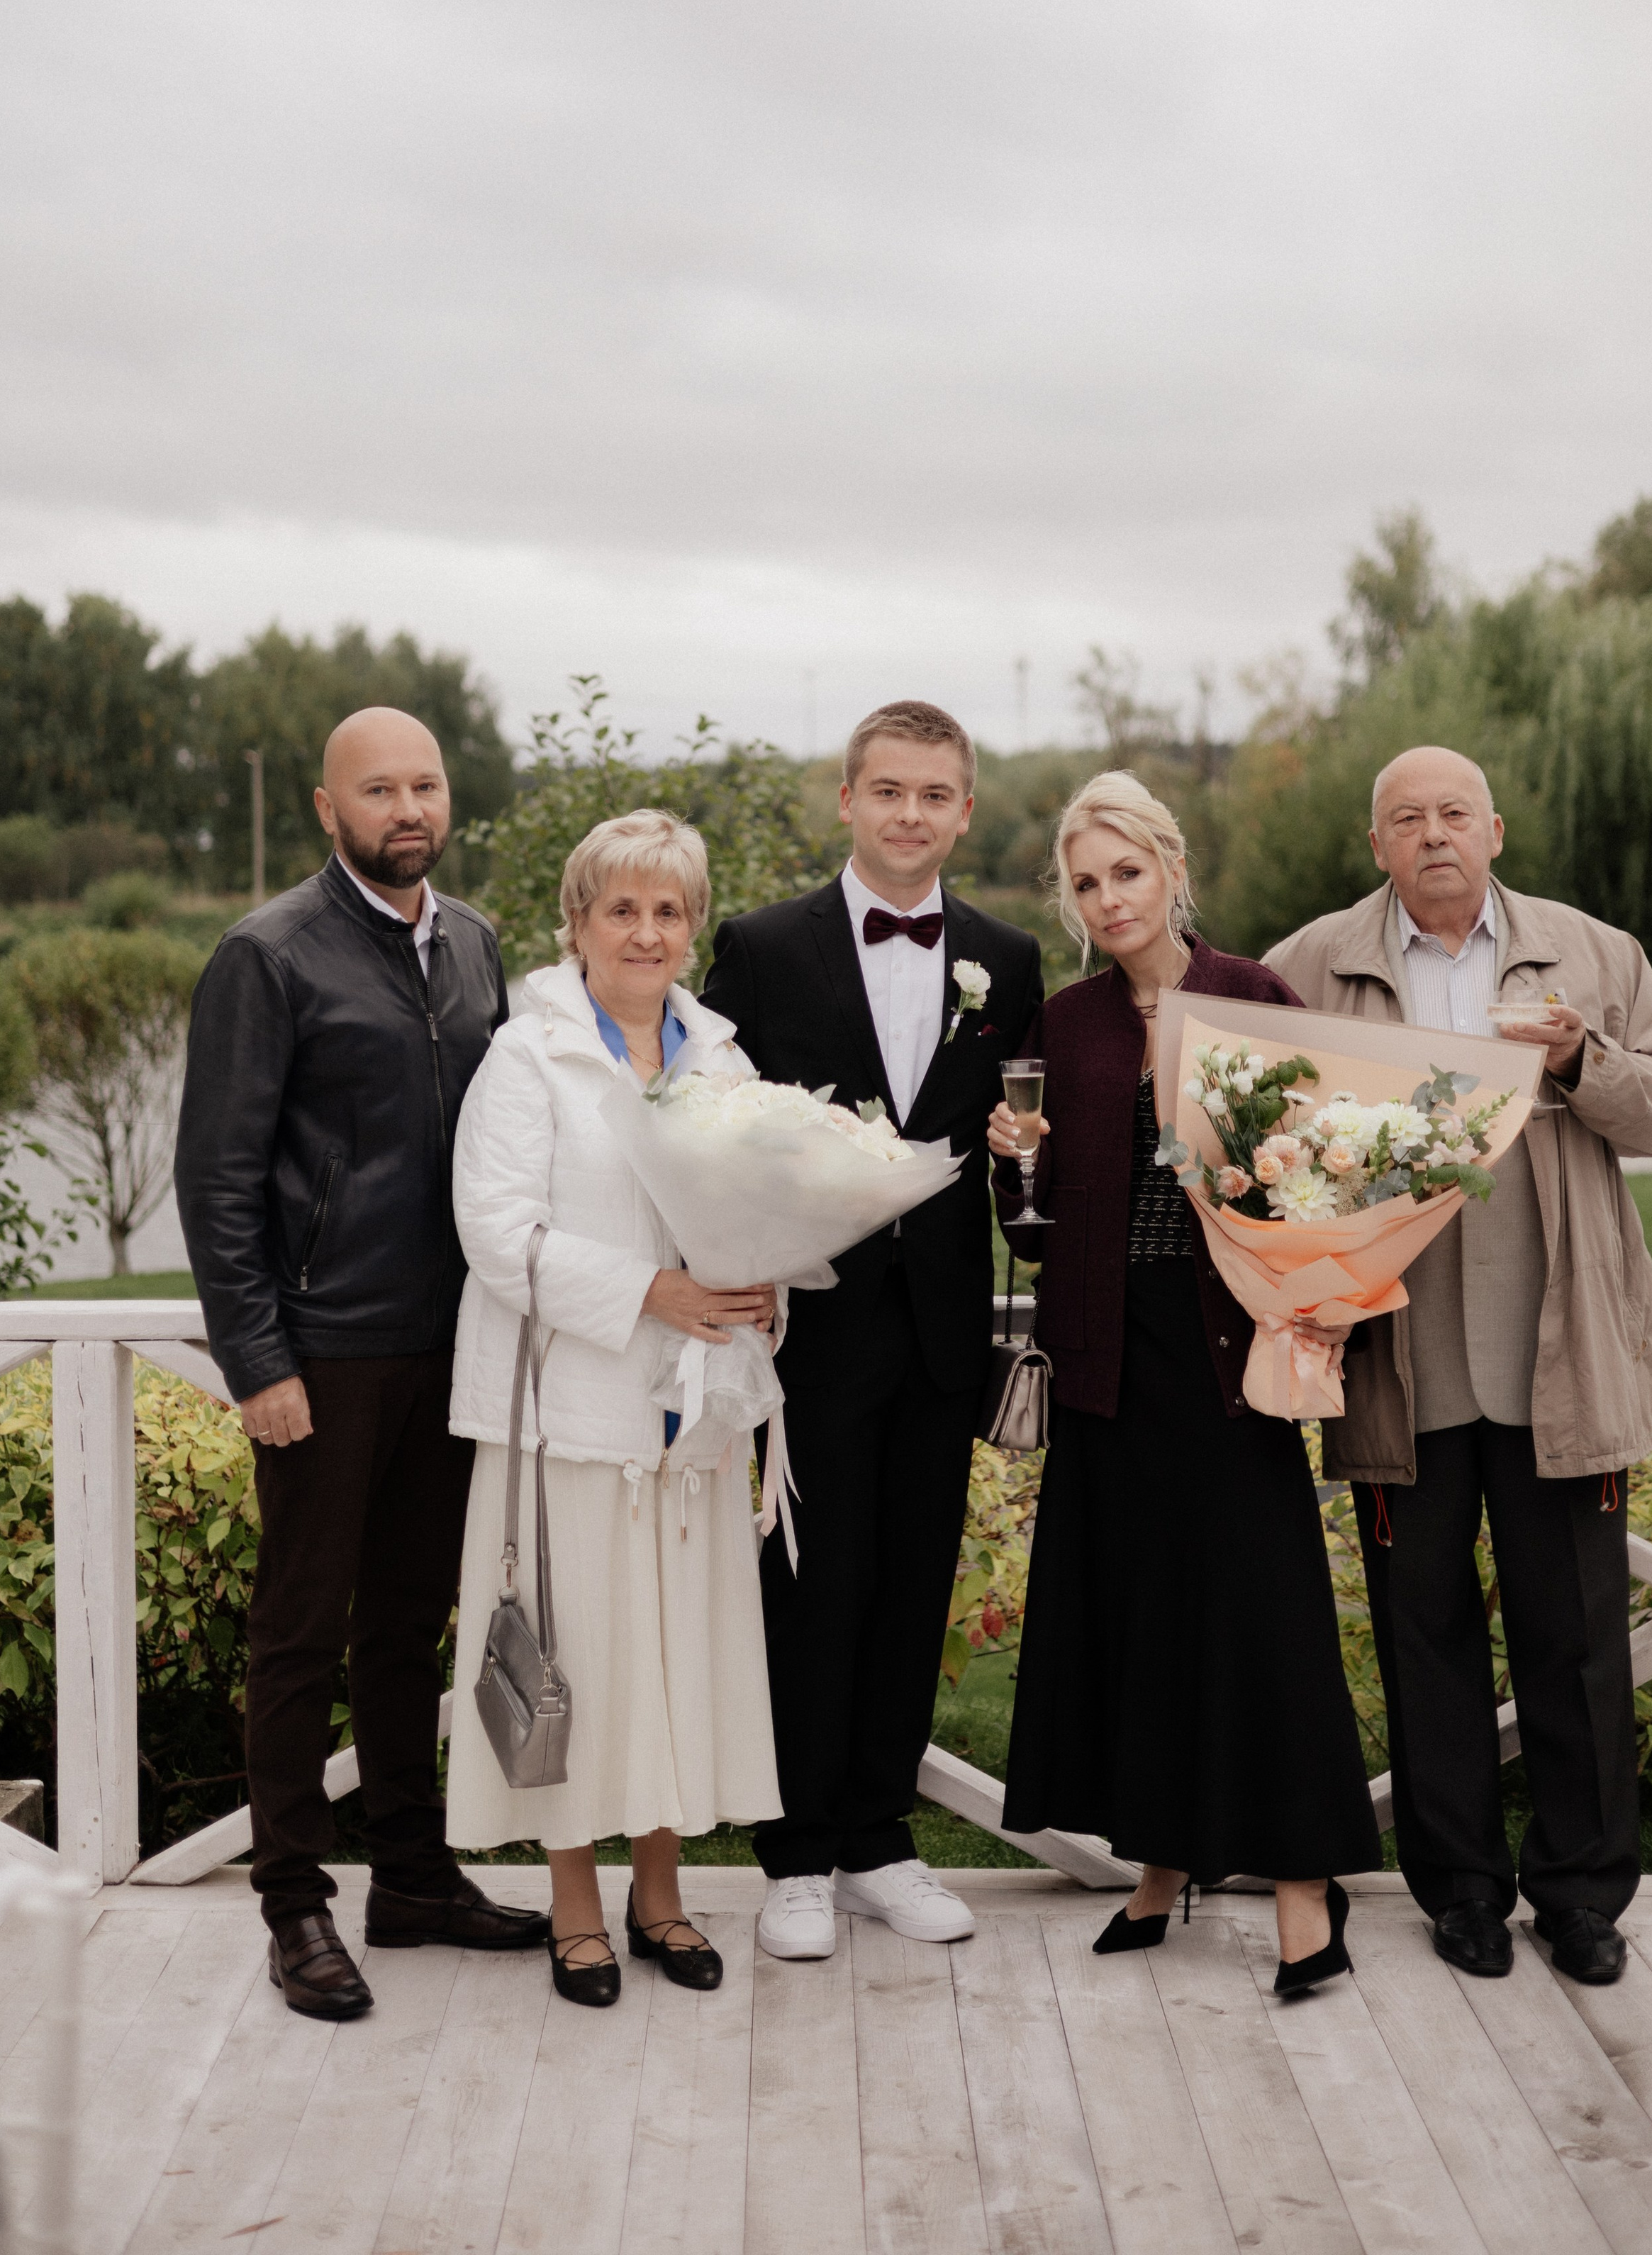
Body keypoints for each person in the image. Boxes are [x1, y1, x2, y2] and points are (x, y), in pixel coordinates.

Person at [1268, 745, 1652, 1988]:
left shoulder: (1594, 955)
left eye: (1454, 813)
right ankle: (1460, 1886)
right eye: (1405, 818)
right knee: (1426, 1632)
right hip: (1401, 1353)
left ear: (1496, 830)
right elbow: (1249, 1118)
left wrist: (1580, 1060)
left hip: (1552, 1350)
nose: (1433, 835)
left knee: (1574, 1634)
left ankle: (1580, 1895)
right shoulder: (1313, 964)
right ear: (1378, 847)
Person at [174, 707, 546, 2020]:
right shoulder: (266, 955)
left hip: (452, 1348)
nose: (407, 807)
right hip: (322, 1353)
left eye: (425, 785)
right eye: (377, 788)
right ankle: (291, 1903)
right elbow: (216, 1182)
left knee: (406, 1627)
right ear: (330, 810)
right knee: (298, 1631)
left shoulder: (477, 945)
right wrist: (258, 1356)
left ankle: (411, 1875)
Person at [990, 771, 1380, 1995]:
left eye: (1128, 872)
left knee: (1262, 1622)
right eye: (1087, 881)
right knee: (1139, 1618)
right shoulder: (1066, 1025)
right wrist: (1015, 1171)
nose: (1110, 898)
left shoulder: (1255, 995)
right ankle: (1159, 1867)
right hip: (1111, 1361)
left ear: (1171, 870)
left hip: (1232, 1360)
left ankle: (1307, 1898)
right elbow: (1035, 1237)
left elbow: (1325, 1185)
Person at [700, 700, 1043, 1961]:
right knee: (808, 1589)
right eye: (888, 790)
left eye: (935, 794)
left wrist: (1026, 1166)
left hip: (943, 1333)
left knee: (912, 1588)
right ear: (846, 801)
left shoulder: (1007, 961)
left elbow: (1019, 1166)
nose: (911, 814)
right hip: (808, 1334)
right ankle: (793, 1854)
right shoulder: (762, 945)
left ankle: (880, 1844)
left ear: (965, 810)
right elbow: (710, 1133)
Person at [443, 809, 781, 2007]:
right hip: (570, 1418)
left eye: (670, 910)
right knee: (574, 1659)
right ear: (577, 921)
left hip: (691, 1420)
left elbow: (752, 1222)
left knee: (668, 1658)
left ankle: (664, 1897)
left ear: (694, 926)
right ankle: (574, 1910)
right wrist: (653, 1292)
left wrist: (761, 1286)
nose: (647, 932)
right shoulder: (526, 1059)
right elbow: (498, 1238)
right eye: (622, 908)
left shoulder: (724, 1063)